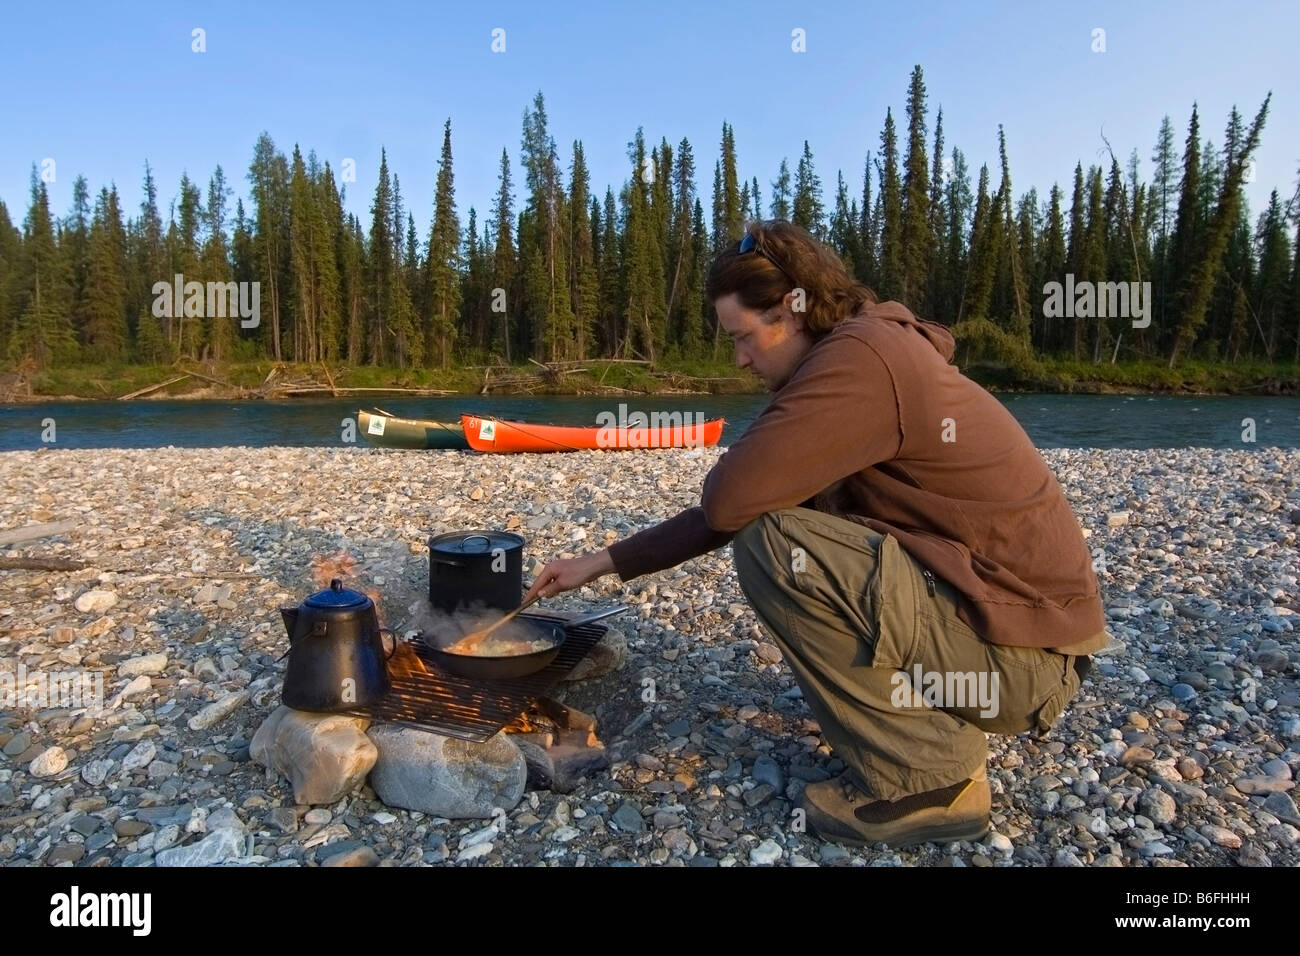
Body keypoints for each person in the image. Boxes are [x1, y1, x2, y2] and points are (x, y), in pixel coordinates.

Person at [524, 219, 1110, 848]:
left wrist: (781, 416)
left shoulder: (863, 360)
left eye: (744, 337)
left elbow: (733, 503)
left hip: (1023, 665)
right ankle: (919, 732)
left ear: (794, 310)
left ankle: (931, 782)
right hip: (1018, 640)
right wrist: (600, 561)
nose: (740, 358)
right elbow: (737, 506)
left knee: (777, 542)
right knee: (781, 524)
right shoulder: (869, 347)